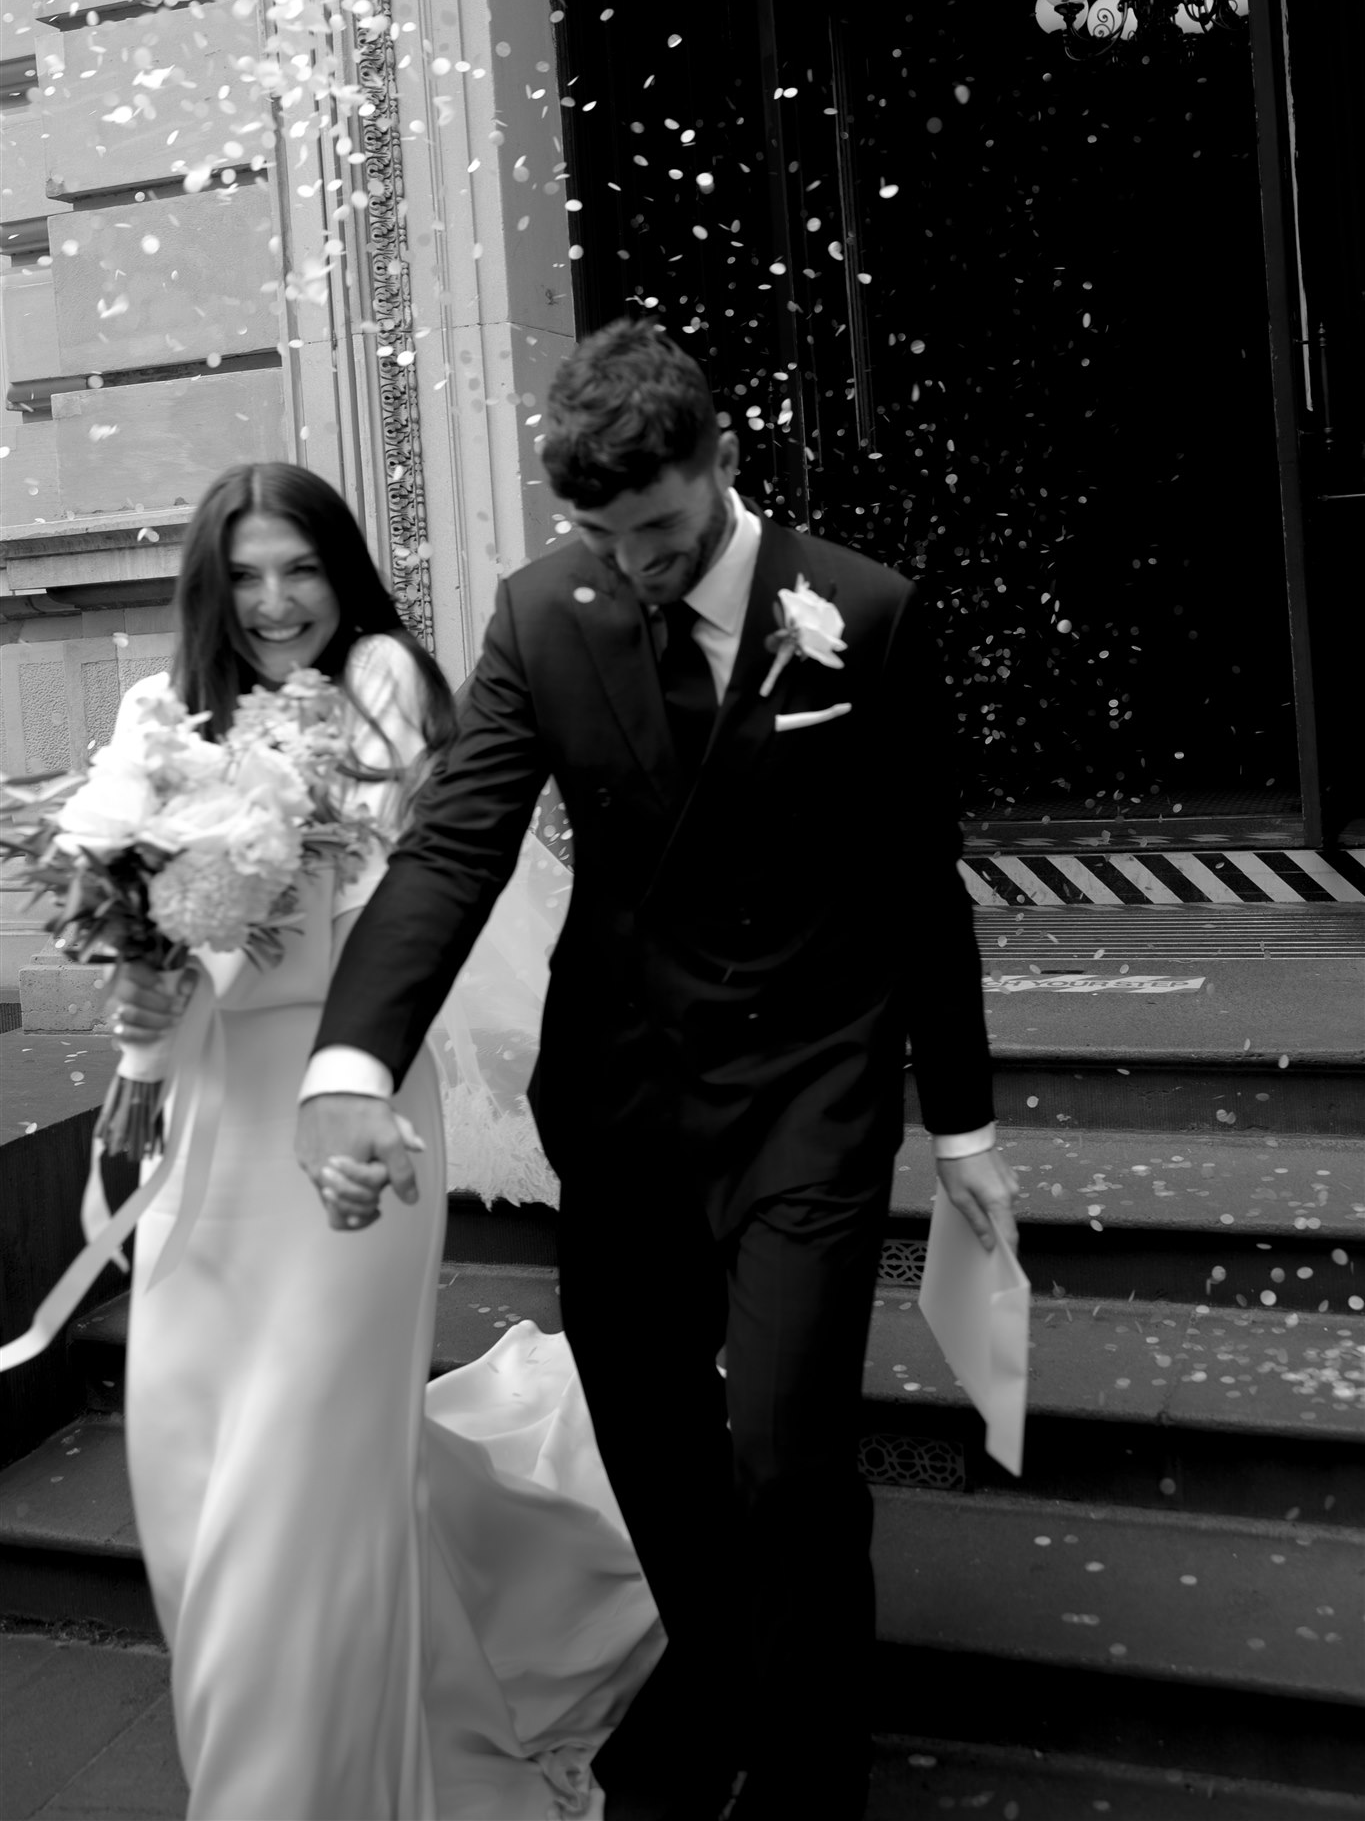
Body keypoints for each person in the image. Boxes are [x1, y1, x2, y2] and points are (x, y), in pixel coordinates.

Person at [297, 321, 1018, 1821]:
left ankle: (815, 1774)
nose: (633, 564)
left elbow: (916, 886)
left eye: (661, 530)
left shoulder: (864, 613)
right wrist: (351, 1061)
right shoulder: (541, 615)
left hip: (808, 1091)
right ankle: (724, 1676)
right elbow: (453, 848)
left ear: (724, 464)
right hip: (621, 1095)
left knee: (785, 1453)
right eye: (602, 535)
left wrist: (960, 1122)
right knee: (649, 1434)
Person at [104, 462, 660, 1820]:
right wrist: (137, 1026)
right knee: (191, 1482)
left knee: (287, 1495)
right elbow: (145, 934)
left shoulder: (384, 692)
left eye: (298, 567)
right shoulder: (156, 715)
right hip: (209, 1139)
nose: (274, 601)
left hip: (343, 1129)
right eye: (243, 574)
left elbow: (419, 907)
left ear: (341, 570)